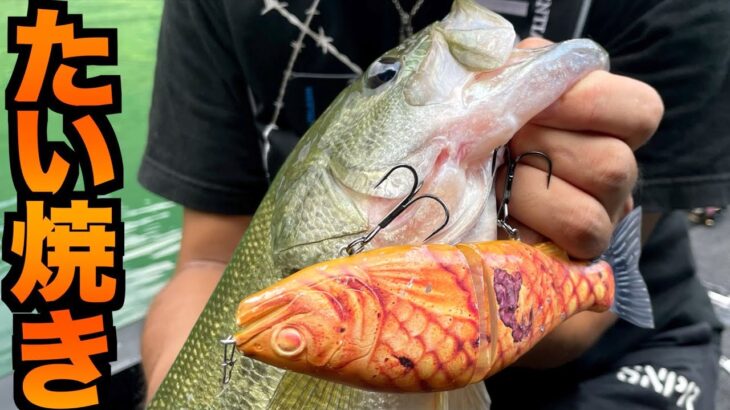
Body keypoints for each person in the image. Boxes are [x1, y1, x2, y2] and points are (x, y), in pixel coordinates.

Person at [138, 0, 729, 408]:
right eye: (387, 75)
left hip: (605, 358)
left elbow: (582, 321)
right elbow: (206, 261)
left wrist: (508, 281)